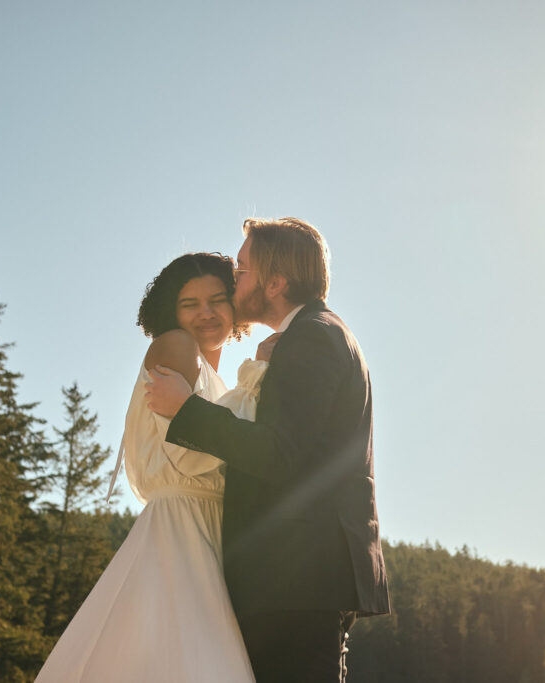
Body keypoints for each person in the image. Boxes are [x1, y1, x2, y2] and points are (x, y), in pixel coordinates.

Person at [147, 217, 390, 682]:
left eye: (242, 270)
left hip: (295, 582)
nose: (233, 280)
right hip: (297, 581)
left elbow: (281, 452)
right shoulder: (311, 336)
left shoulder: (313, 337)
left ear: (275, 283)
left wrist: (186, 410)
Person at [34, 252, 259, 682]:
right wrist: (259, 382)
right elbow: (188, 451)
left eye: (217, 299)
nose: (206, 313)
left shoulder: (217, 379)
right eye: (189, 304)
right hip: (183, 533)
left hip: (217, 533)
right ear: (170, 312)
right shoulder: (175, 345)